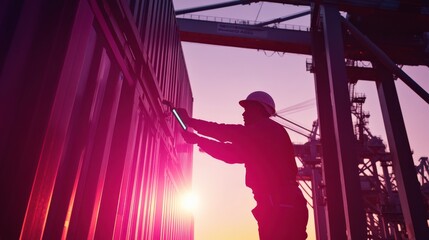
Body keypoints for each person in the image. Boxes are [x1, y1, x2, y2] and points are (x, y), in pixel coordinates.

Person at [177, 91, 308, 240]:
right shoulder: (263, 138)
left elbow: (227, 133)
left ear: (260, 109)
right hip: (282, 205)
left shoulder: (266, 130)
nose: (243, 114)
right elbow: (231, 153)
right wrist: (198, 139)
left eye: (247, 110)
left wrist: (190, 122)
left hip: (281, 206)